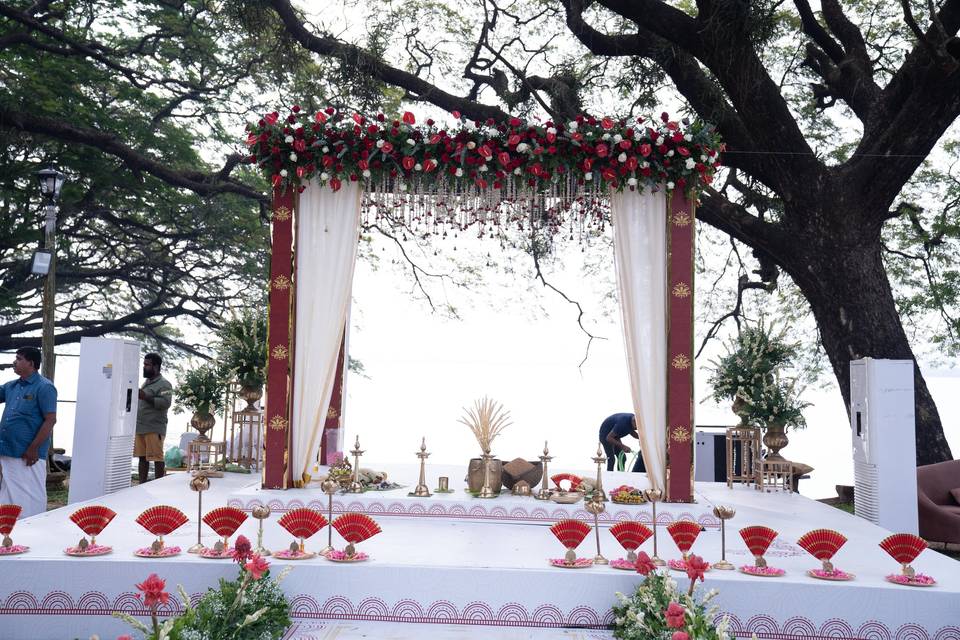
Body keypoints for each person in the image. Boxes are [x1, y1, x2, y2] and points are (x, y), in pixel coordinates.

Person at [0, 347, 57, 517]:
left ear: (31, 363)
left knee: (30, 496)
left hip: (28, 454)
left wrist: (34, 447)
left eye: (18, 359)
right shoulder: (11, 386)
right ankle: (8, 533)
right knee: (8, 495)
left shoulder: (45, 387)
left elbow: (51, 419)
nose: (14, 362)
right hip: (7, 449)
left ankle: (33, 530)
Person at [134, 353, 173, 483]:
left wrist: (145, 396)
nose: (144, 367)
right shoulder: (146, 383)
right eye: (144, 364)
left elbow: (166, 403)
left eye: (147, 365)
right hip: (140, 427)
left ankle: (159, 485)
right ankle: (141, 485)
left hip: (154, 428)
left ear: (156, 366)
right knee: (142, 458)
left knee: (157, 458)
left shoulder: (165, 384)